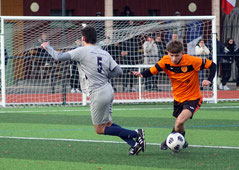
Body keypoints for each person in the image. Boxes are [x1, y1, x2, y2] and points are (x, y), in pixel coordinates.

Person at [41, 26, 145, 155]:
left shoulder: (82, 51)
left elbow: (58, 57)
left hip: (97, 93)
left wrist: (47, 46)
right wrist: (105, 76)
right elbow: (119, 71)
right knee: (108, 123)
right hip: (108, 89)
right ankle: (134, 144)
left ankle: (136, 133)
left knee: (99, 129)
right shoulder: (104, 52)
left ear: (83, 38)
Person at [132, 40, 216, 151]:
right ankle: (182, 140)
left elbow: (213, 65)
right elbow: (153, 70)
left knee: (179, 121)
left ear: (182, 53)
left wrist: (209, 80)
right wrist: (142, 74)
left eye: (177, 55)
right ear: (167, 53)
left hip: (193, 98)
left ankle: (169, 140)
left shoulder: (192, 60)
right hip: (177, 98)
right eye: (171, 55)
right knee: (179, 125)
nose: (174, 58)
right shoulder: (165, 61)